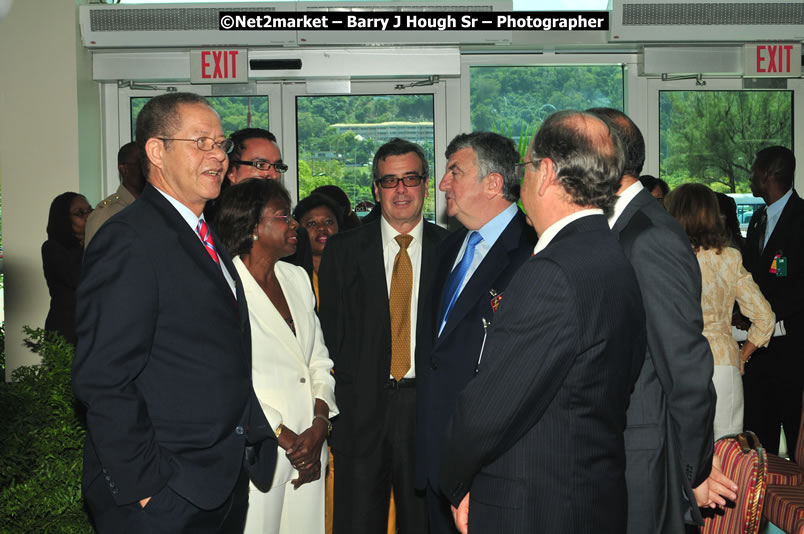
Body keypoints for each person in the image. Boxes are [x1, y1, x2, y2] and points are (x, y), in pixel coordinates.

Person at [72, 92, 277, 533]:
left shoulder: (204, 235)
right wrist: (147, 487)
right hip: (163, 495)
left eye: (221, 144)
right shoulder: (129, 239)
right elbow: (104, 377)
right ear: (156, 151)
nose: (217, 156)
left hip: (219, 482)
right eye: (200, 141)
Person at [439, 110, 646, 534]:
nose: (523, 179)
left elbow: (490, 407)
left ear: (546, 172)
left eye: (526, 167)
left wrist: (453, 481)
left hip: (535, 504)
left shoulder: (551, 272)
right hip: (587, 494)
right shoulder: (611, 255)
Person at [589, 107, 736, 532]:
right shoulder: (619, 227)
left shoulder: (649, 235)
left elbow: (686, 367)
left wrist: (692, 472)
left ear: (604, 158)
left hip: (644, 458)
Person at [318, 138, 448, 534]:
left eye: (410, 179)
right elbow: (331, 337)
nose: (401, 190)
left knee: (424, 522)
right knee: (357, 522)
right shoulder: (342, 251)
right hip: (361, 415)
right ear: (376, 190)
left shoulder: (453, 249)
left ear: (426, 185)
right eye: (390, 181)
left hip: (427, 412)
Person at [415, 131, 536, 534]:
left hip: (491, 466)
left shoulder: (533, 251)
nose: (443, 183)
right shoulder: (447, 248)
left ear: (493, 183)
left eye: (455, 171)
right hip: (436, 457)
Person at [215, 178, 338, 534]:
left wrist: (319, 427)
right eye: (283, 216)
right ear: (252, 227)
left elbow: (319, 361)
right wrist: (287, 439)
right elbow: (228, 381)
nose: (295, 223)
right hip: (260, 452)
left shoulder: (296, 277)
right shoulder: (224, 287)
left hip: (311, 451)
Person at [666, 183, 774, 439]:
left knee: (681, 457)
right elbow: (765, 317)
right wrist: (743, 356)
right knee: (725, 456)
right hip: (724, 364)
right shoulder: (730, 258)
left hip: (676, 363)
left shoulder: (666, 258)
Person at [742, 145, 804, 458]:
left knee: (795, 436)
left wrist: (768, 317)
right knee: (758, 436)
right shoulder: (757, 219)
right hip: (758, 351)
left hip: (791, 351)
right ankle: (759, 504)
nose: (749, 176)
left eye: (753, 170)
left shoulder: (801, 218)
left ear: (767, 175)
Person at [42, 192, 90, 344]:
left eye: (90, 211)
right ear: (64, 219)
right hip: (65, 330)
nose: (88, 217)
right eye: (80, 213)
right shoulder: (52, 248)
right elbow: (76, 278)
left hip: (92, 327)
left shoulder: (95, 245)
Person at [84, 141, 147, 247]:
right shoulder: (105, 215)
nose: (148, 170)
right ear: (124, 169)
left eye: (150, 164)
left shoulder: (153, 209)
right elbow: (98, 262)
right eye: (142, 164)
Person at [293, 193, 342, 304]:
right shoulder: (291, 275)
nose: (321, 228)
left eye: (328, 222)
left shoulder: (353, 269)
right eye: (311, 223)